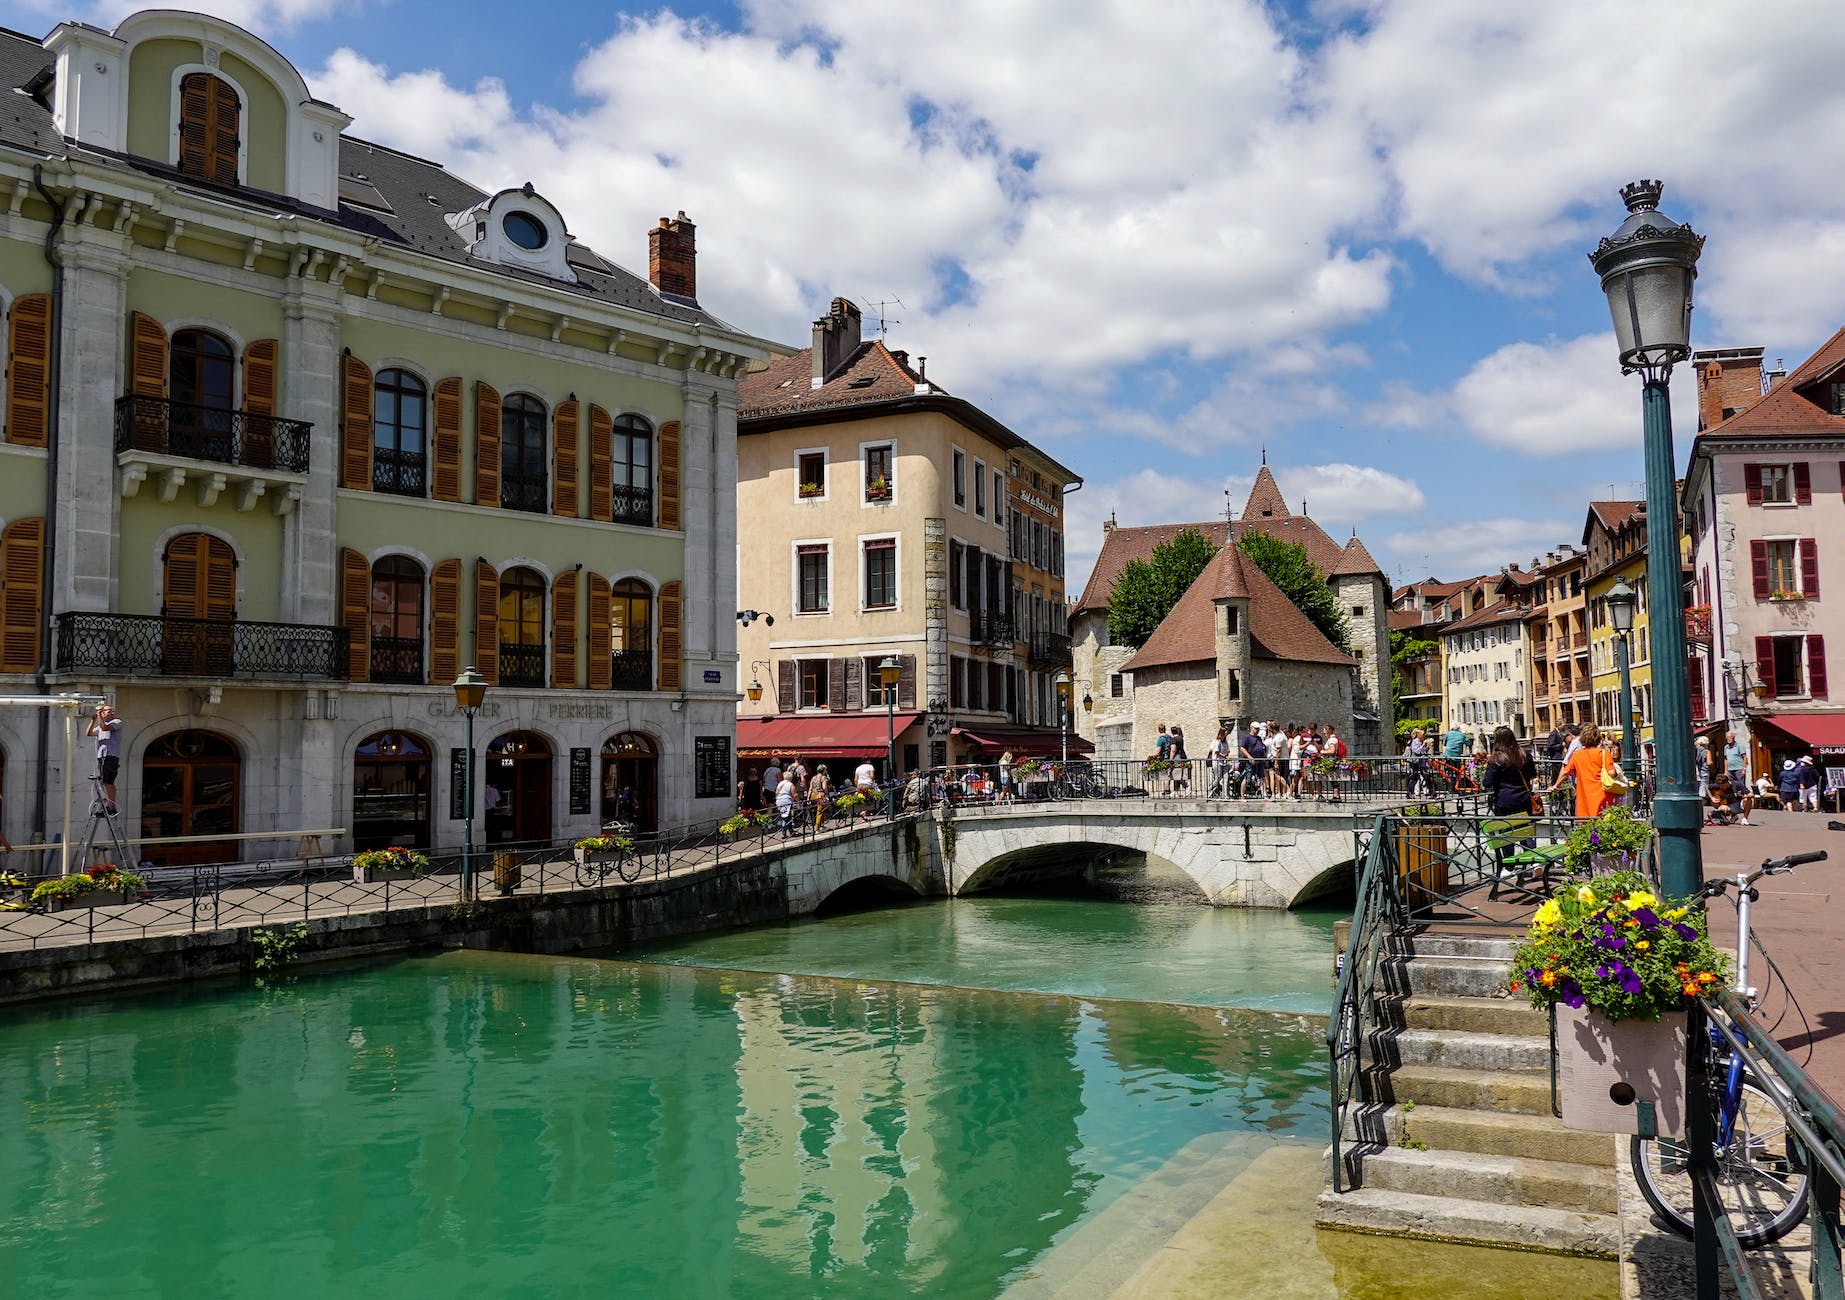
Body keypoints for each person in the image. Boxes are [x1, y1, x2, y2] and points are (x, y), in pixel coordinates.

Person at [1483, 725, 1540, 872]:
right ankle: (1534, 861)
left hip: (1504, 801)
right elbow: (1532, 774)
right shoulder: (1525, 755)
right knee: (1525, 830)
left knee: (1506, 834)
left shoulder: (1496, 759)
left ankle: (1509, 867)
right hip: (1523, 799)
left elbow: (1487, 783)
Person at [1550, 722, 1615, 821]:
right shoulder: (1603, 753)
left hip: (1584, 800)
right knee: (1603, 830)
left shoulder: (1577, 755)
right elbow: (1612, 773)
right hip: (1603, 799)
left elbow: (1565, 772)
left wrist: (1556, 786)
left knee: (1585, 830)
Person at [87, 703, 123, 815]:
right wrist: (93, 720)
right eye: (108, 710)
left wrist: (99, 716)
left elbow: (105, 728)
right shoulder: (100, 725)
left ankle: (111, 806)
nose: (111, 712)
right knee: (104, 782)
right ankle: (107, 805)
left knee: (108, 781)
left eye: (112, 710)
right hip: (102, 756)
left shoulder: (116, 722)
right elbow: (89, 733)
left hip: (110, 756)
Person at [1405, 727, 1431, 797]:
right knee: (1414, 778)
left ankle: (1431, 792)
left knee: (1425, 777)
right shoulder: (1415, 742)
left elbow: (1423, 752)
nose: (1424, 736)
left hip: (1421, 763)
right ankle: (1409, 792)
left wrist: (1427, 747)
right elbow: (1417, 751)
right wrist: (1423, 746)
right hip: (1415, 762)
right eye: (1423, 735)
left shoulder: (1420, 742)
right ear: (1418, 735)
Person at [1209, 728, 1232, 799]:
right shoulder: (1217, 742)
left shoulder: (1225, 742)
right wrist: (1224, 755)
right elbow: (1216, 752)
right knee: (1218, 778)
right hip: (1217, 761)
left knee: (1226, 778)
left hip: (1224, 762)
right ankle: (1210, 788)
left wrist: (1227, 754)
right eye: (1225, 733)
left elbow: (1228, 750)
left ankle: (1225, 795)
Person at [774, 770, 798, 836]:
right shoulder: (790, 784)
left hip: (779, 801)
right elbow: (795, 795)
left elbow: (776, 792)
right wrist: (799, 802)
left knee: (784, 816)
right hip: (787, 801)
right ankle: (784, 833)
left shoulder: (780, 783)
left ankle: (790, 831)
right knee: (786, 817)